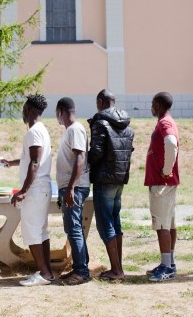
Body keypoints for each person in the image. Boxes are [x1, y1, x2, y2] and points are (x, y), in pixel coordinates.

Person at [2, 94, 54, 287]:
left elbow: (34, 161)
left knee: (32, 232)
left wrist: (23, 190)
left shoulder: (34, 132)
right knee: (41, 232)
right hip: (40, 188)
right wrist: (12, 162)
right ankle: (46, 272)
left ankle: (44, 273)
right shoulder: (41, 130)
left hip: (35, 190)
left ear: (28, 110)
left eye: (24, 108)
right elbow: (29, 159)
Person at [87, 89, 134, 282]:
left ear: (100, 102)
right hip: (119, 178)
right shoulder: (126, 125)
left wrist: (84, 161)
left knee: (106, 224)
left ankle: (116, 270)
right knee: (115, 221)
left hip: (104, 179)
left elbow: (97, 152)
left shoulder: (100, 122)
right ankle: (118, 267)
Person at [55, 97, 91, 285]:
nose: (57, 118)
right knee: (71, 227)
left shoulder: (75, 129)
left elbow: (80, 158)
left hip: (74, 188)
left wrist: (71, 188)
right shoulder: (70, 131)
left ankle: (82, 271)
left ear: (61, 111)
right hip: (70, 187)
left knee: (74, 227)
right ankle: (81, 266)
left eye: (57, 114)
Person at [145, 92, 180, 282]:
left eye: (152, 103)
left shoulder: (164, 123)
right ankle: (170, 262)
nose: (151, 107)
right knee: (168, 223)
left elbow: (171, 143)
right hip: (165, 182)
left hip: (161, 183)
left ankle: (166, 266)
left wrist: (166, 169)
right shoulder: (168, 121)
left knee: (162, 225)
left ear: (158, 105)